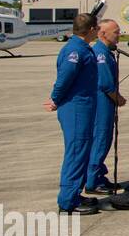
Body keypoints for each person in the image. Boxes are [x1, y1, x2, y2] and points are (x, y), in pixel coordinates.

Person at [43, 13, 101, 215]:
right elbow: (65, 77)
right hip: (76, 109)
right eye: (97, 28)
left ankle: (74, 193)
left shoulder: (82, 48)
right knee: (76, 153)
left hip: (82, 107)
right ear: (91, 29)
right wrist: (55, 98)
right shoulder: (75, 51)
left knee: (82, 151)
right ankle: (68, 202)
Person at [85, 19, 125, 195]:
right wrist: (119, 99)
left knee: (104, 140)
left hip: (106, 103)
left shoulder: (106, 52)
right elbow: (106, 84)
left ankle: (99, 175)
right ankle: (93, 181)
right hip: (102, 104)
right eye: (115, 32)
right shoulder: (100, 54)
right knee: (100, 140)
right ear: (102, 34)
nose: (119, 35)